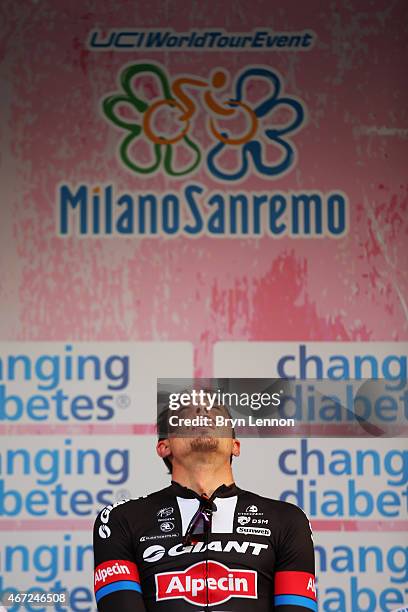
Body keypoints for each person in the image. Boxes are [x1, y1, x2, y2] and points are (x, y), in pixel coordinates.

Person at [93, 399, 317, 611]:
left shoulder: (287, 519)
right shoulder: (120, 519)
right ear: (164, 446)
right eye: (184, 413)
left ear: (235, 445)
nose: (201, 413)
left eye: (216, 412)